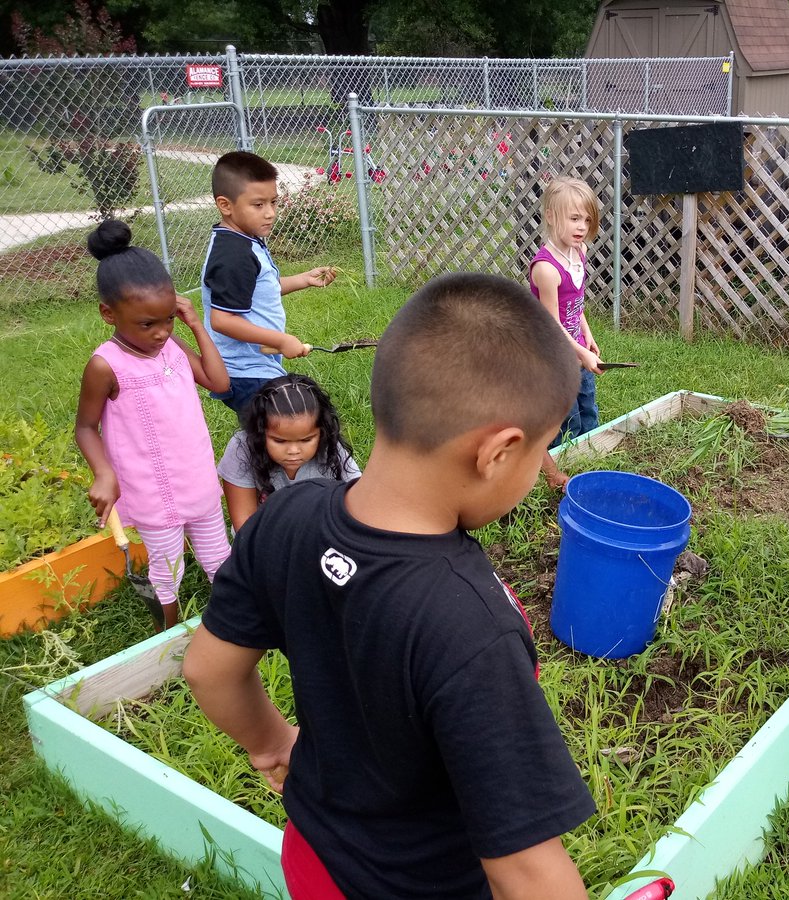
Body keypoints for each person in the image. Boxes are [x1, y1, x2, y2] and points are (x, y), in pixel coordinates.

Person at [183, 273, 596, 899]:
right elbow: (527, 871)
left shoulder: (285, 519)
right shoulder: (473, 625)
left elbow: (209, 670)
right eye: (542, 451)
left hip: (316, 859)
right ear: (499, 451)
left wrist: (270, 744)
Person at [75, 220, 231, 631]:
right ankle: (168, 639)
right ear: (109, 314)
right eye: (148, 324)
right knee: (166, 573)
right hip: (151, 490)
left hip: (196, 477)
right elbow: (86, 427)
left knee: (220, 561)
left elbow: (219, 382)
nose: (162, 332)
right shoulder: (105, 365)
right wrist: (104, 472)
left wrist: (196, 326)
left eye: (169, 319)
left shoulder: (173, 345)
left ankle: (235, 622)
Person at [200, 150, 336, 414]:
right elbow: (223, 320)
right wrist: (281, 340)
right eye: (258, 205)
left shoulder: (243, 240)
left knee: (274, 437)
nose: (270, 213)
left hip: (255, 365)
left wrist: (303, 279)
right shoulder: (234, 256)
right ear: (225, 205)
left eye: (274, 202)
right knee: (287, 431)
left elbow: (257, 291)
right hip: (244, 371)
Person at [529, 176, 604, 490]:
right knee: (568, 414)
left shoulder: (580, 251)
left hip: (576, 348)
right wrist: (579, 352)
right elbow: (552, 325)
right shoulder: (545, 269)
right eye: (574, 218)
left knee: (588, 403)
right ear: (550, 216)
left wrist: (587, 336)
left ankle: (593, 456)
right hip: (554, 354)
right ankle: (565, 473)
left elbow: (576, 303)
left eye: (586, 219)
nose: (582, 226)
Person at [217, 374, 361, 532]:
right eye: (279, 441)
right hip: (261, 540)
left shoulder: (331, 447)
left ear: (322, 432)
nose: (293, 451)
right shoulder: (242, 448)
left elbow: (359, 502)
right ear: (259, 432)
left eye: (306, 440)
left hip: (320, 537)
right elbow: (244, 524)